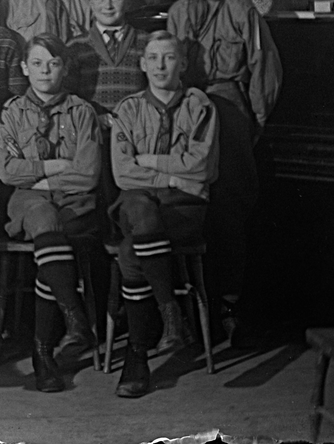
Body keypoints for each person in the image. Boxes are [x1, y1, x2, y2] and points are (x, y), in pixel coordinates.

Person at [166, 0, 281, 340]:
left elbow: (263, 65)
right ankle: (190, 311)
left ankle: (229, 305)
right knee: (187, 204)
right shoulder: (178, 12)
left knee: (229, 210)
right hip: (187, 112)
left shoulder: (242, 9)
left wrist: (255, 120)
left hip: (229, 110)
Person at [109, 31, 219, 397]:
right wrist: (172, 176)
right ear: (142, 64)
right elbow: (123, 172)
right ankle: (170, 313)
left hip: (182, 210)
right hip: (140, 203)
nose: (160, 66)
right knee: (140, 208)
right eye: (153, 58)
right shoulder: (128, 109)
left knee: (131, 250)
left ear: (182, 64)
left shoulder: (199, 106)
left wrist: (149, 161)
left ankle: (136, 358)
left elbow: (201, 167)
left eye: (169, 58)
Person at [0, 33, 100, 394]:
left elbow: (88, 174)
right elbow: (7, 171)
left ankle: (42, 354)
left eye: (53, 64)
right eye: (37, 63)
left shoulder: (82, 112)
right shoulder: (12, 112)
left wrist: (41, 179)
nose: (45, 71)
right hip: (27, 203)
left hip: (73, 204)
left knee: (49, 236)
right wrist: (56, 166)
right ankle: (74, 317)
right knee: (43, 218)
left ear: (65, 68)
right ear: (24, 68)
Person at [68, 0, 148, 118]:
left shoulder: (145, 42)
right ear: (91, 3)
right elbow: (69, 97)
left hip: (136, 125)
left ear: (128, 3)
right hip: (92, 126)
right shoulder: (76, 47)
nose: (108, 6)